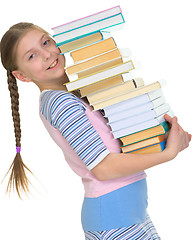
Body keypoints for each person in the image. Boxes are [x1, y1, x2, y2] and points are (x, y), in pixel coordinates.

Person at [0, 22, 191, 240]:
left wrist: (161, 138)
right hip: (115, 223)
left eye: (46, 42)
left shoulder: (70, 95)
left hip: (126, 216)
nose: (46, 54)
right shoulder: (60, 103)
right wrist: (167, 154)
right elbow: (103, 168)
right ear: (22, 76)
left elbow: (113, 145)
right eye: (31, 56)